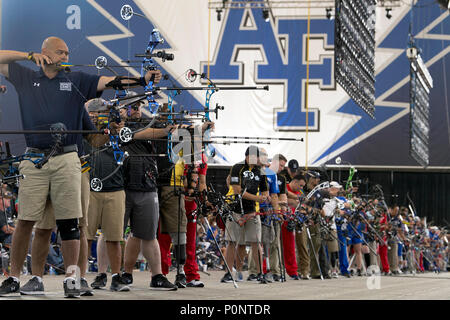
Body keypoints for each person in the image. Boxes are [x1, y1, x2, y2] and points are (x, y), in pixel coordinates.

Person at [0, 36, 161, 297]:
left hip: (67, 158)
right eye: (60, 53)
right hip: (34, 159)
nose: (66, 57)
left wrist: (143, 80)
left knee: (70, 223)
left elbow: (112, 82)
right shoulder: (25, 76)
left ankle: (73, 277)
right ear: (45, 53)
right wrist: (28, 55)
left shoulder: (76, 81)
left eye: (67, 53)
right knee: (26, 221)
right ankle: (16, 278)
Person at [119, 99, 178, 291]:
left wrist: (168, 121)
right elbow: (147, 133)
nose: (137, 111)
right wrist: (163, 129)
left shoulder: (145, 124)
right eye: (132, 107)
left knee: (147, 235)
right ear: (121, 110)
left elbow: (162, 129)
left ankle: (157, 276)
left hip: (147, 184)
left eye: (138, 107)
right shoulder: (117, 127)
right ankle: (119, 274)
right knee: (113, 234)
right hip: (123, 186)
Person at [221, 146, 269, 283]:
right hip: (235, 209)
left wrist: (265, 197)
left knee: (256, 242)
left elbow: (265, 190)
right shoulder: (237, 167)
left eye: (257, 157)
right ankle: (229, 273)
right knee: (231, 242)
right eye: (252, 157)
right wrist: (257, 198)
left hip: (252, 212)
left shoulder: (261, 171)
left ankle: (260, 273)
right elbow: (237, 190)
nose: (254, 159)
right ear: (246, 156)